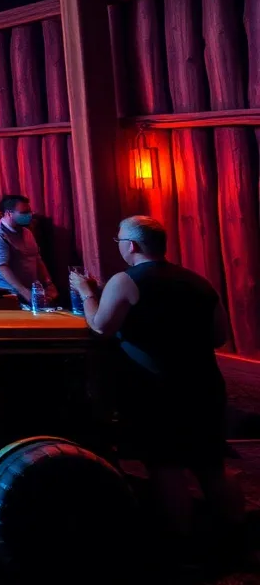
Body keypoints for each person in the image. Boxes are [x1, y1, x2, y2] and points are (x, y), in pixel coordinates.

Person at [69, 216, 242, 542]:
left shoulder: (125, 280)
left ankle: (182, 543)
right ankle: (236, 537)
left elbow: (101, 326)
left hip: (156, 388)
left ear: (131, 245)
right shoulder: (199, 281)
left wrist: (87, 292)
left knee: (166, 466)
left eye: (119, 241)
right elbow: (219, 336)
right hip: (204, 385)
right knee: (210, 464)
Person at [0, 194, 55, 308]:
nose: (29, 215)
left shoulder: (27, 232)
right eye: (24, 212)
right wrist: (25, 292)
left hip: (27, 293)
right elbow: (2, 267)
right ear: (9, 214)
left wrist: (48, 283)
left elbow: (37, 258)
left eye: (29, 212)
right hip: (4, 295)